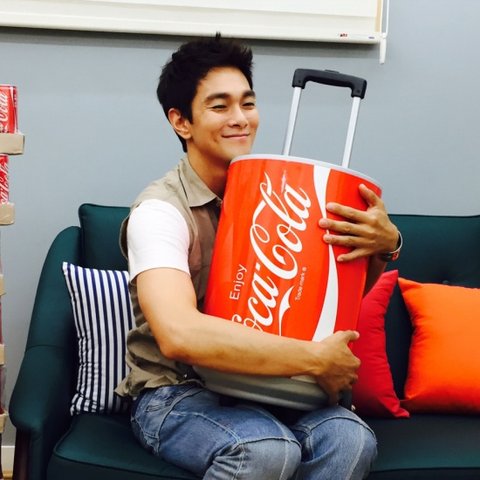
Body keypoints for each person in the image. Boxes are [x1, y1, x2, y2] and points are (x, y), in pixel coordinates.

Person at [116, 34, 401, 480]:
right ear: (181, 121)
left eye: (247, 103)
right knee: (265, 448)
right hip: (177, 391)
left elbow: (328, 303)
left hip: (270, 384)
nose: (240, 118)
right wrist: (314, 359)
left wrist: (384, 246)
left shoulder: (282, 196)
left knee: (352, 440)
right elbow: (177, 334)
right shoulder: (160, 211)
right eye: (220, 106)